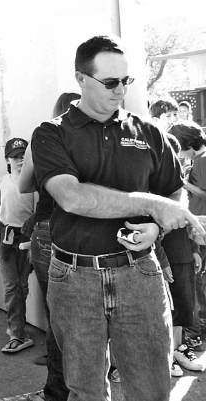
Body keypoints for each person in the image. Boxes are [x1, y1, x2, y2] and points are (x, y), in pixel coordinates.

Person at [32, 35, 205, 400]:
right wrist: (151, 203)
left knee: (151, 387)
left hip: (140, 273)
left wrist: (157, 224)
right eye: (109, 82)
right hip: (74, 277)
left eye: (126, 81)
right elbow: (72, 196)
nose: (119, 90)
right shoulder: (52, 133)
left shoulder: (148, 132)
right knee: (85, 391)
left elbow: (174, 191)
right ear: (81, 78)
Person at [19, 92, 80, 401]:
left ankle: (58, 391)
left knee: (57, 317)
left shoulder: (46, 135)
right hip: (85, 229)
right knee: (85, 314)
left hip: (48, 229)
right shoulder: (93, 138)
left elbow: (23, 184)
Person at [0, 138, 36, 354]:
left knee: (22, 286)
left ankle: (18, 327)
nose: (20, 159)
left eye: (23, 155)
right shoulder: (1, 182)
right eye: (15, 156)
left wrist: (34, 243)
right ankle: (17, 333)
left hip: (26, 237)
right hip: (5, 238)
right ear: (7, 159)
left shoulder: (34, 184)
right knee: (11, 287)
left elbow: (37, 215)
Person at [169, 121, 206, 364]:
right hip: (195, 231)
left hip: (197, 230)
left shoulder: (201, 160)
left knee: (195, 287)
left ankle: (192, 334)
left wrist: (180, 182)